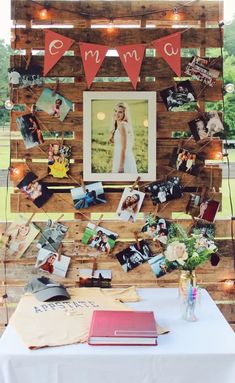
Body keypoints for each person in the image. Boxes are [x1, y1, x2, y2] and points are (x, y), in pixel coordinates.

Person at [109, 102, 137, 173]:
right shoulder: (121, 125)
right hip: (120, 157)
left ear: (124, 114)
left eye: (120, 112)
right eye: (115, 111)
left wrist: (121, 166)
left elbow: (124, 148)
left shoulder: (122, 126)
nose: (117, 114)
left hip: (124, 161)